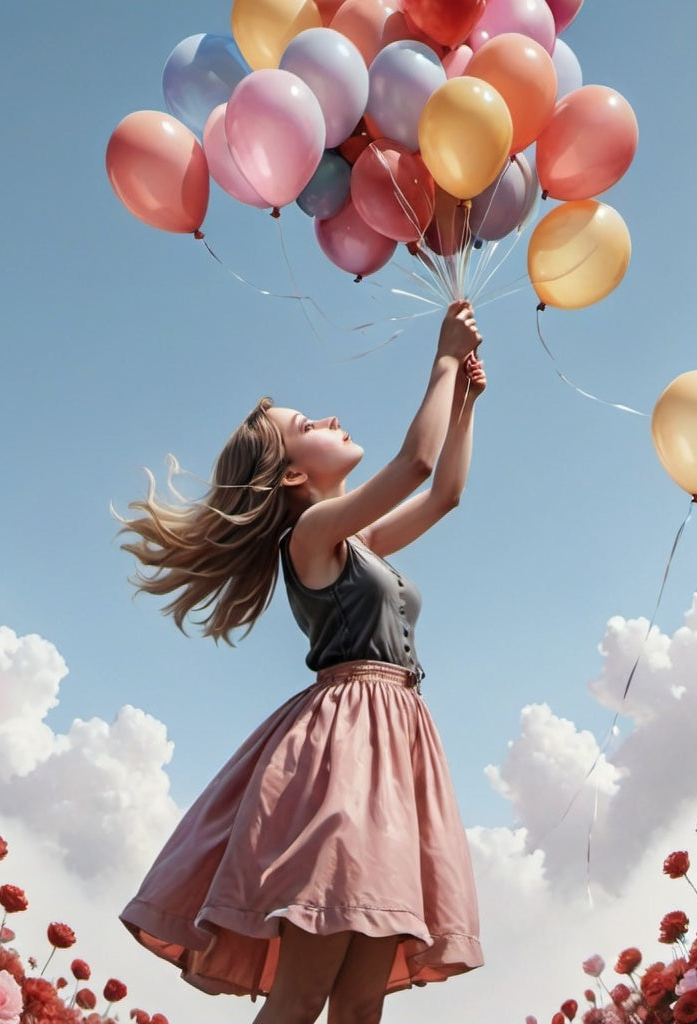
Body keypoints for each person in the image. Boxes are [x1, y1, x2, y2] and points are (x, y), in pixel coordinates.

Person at [118, 300, 487, 1024]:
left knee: (359, 1003)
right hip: (346, 755)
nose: (329, 417)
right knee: (303, 992)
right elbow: (415, 463)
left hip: (393, 749)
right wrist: (442, 357)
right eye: (307, 427)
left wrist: (466, 401)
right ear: (291, 477)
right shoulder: (312, 533)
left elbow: (445, 492)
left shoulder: (361, 541)